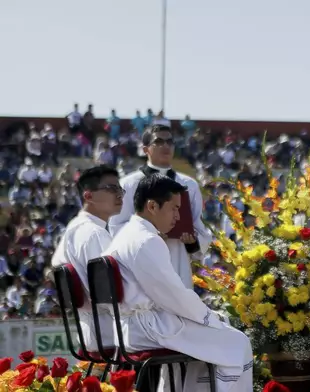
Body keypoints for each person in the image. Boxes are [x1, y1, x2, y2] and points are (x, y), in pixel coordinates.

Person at [103, 174, 252, 392]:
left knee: (208, 348)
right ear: (152, 206)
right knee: (238, 342)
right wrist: (209, 317)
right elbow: (174, 296)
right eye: (174, 208)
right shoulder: (145, 240)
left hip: (135, 326)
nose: (178, 215)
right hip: (148, 328)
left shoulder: (130, 234)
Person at [109, 125, 212, 289]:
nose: (166, 146)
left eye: (170, 142)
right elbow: (116, 227)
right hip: (142, 265)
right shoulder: (128, 184)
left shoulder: (188, 184)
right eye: (159, 141)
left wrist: (192, 242)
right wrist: (149, 234)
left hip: (177, 262)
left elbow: (200, 229)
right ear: (145, 149)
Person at [51, 165, 124, 350]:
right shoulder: (94, 233)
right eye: (111, 188)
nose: (119, 194)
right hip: (113, 336)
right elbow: (114, 293)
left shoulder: (75, 227)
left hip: (93, 332)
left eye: (119, 188)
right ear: (88, 195)